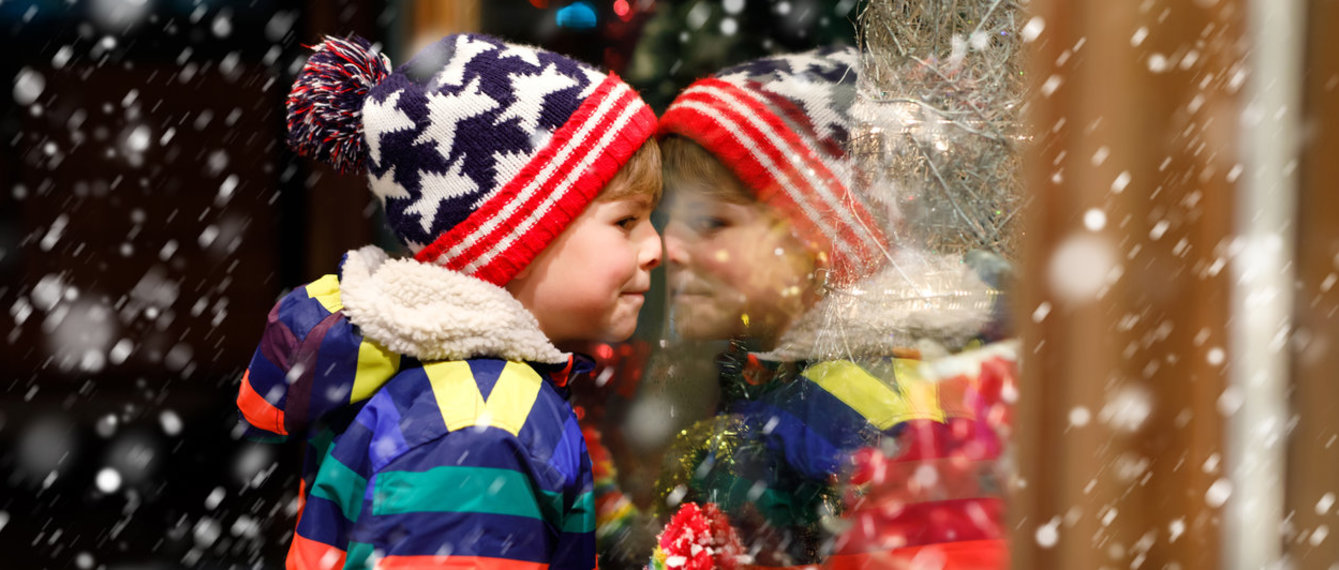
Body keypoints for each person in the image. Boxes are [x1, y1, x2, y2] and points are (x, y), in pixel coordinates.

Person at [234, 33, 661, 568]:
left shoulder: (460, 391)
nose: (656, 248)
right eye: (626, 221)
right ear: (517, 241)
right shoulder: (480, 424)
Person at [651, 47, 1016, 568]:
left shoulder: (849, 421)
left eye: (712, 223)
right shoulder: (793, 383)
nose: (669, 248)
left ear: (818, 237)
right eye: (668, 218)